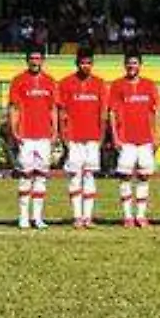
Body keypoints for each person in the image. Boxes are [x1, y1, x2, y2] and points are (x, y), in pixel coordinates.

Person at [8, 47, 58, 229]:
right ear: (27, 60)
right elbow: (13, 108)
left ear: (43, 60)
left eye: (38, 58)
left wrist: (55, 131)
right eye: (32, 58)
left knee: (41, 176)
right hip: (25, 135)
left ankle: (37, 218)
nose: (35, 61)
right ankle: (23, 217)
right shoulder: (18, 81)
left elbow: (53, 109)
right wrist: (14, 130)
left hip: (44, 135)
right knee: (25, 176)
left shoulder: (50, 82)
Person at [57, 47, 106, 228]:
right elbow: (62, 112)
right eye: (83, 62)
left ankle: (88, 217)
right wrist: (64, 136)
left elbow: (103, 114)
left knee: (90, 176)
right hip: (74, 138)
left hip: (93, 137)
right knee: (75, 176)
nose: (86, 65)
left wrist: (101, 136)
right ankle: (77, 216)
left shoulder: (100, 84)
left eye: (89, 62)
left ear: (92, 64)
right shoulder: (65, 83)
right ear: (77, 63)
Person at [108, 50, 158, 228]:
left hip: (145, 139)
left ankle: (141, 216)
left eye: (135, 63)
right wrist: (115, 136)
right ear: (125, 65)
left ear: (140, 65)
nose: (132, 66)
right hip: (125, 139)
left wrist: (156, 135)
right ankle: (128, 216)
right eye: (129, 63)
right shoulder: (117, 85)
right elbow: (112, 113)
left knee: (144, 176)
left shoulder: (149, 85)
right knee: (125, 177)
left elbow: (154, 112)